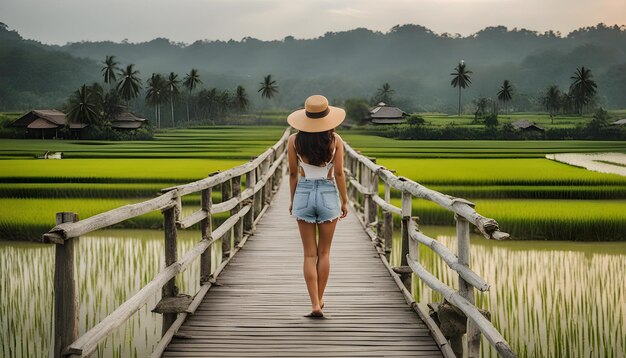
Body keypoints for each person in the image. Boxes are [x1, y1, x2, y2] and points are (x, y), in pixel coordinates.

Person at [287, 94, 349, 318]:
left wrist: (294, 200)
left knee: (308, 255)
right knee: (324, 253)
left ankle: (314, 303)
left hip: (303, 192)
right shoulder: (335, 140)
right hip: (327, 192)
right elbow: (339, 173)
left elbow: (294, 173)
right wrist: (344, 200)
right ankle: (320, 299)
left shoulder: (294, 140)